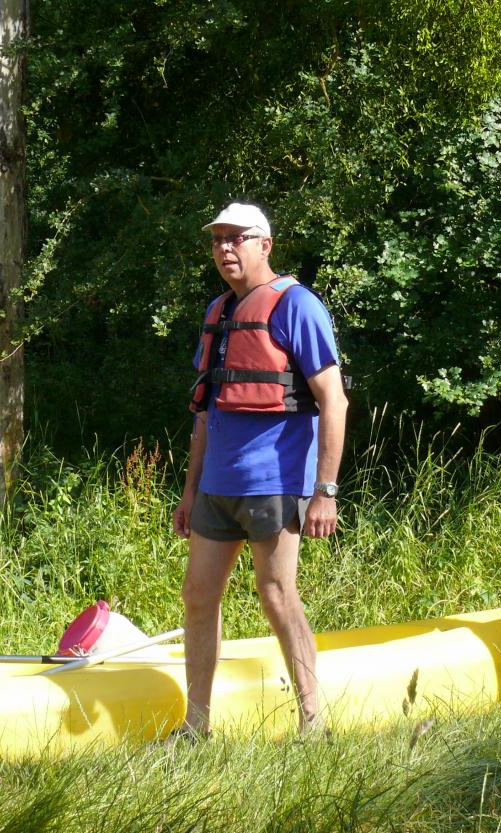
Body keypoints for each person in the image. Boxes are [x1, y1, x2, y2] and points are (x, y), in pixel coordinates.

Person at [172, 202, 347, 737]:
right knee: (198, 595)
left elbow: (333, 402)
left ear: (264, 245)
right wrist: (189, 489)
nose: (225, 249)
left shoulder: (297, 306)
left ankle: (313, 720)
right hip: (218, 485)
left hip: (275, 480)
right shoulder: (217, 312)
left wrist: (325, 492)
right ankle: (196, 726)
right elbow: (207, 409)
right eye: (217, 240)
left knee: (275, 593)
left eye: (237, 238)